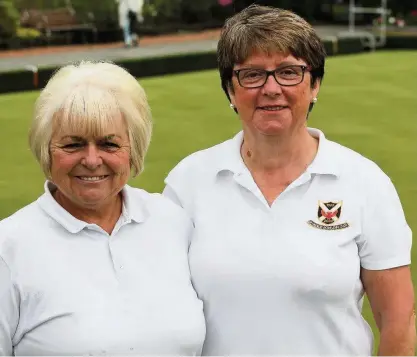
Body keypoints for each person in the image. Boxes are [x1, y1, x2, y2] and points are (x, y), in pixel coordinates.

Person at [163, 5, 415, 356]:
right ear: (229, 91)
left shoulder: (366, 182)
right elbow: (161, 312)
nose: (271, 89)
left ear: (315, 85)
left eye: (289, 72)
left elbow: (398, 321)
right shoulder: (187, 183)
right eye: (251, 75)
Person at [0, 61, 206, 355]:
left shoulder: (172, 221)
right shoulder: (9, 248)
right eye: (73, 145)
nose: (92, 160)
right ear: (46, 150)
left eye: (109, 144)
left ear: (133, 148)